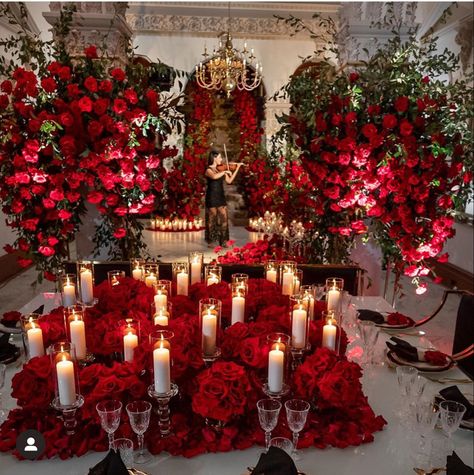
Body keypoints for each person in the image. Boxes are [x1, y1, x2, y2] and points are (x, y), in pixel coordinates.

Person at [204, 150, 243, 247]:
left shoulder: (221, 170)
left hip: (220, 196)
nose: (222, 159)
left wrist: (237, 168)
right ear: (214, 158)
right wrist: (225, 170)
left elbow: (229, 180)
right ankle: (211, 241)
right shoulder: (208, 170)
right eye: (220, 157)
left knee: (224, 219)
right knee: (212, 219)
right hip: (211, 196)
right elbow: (214, 176)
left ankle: (224, 241)